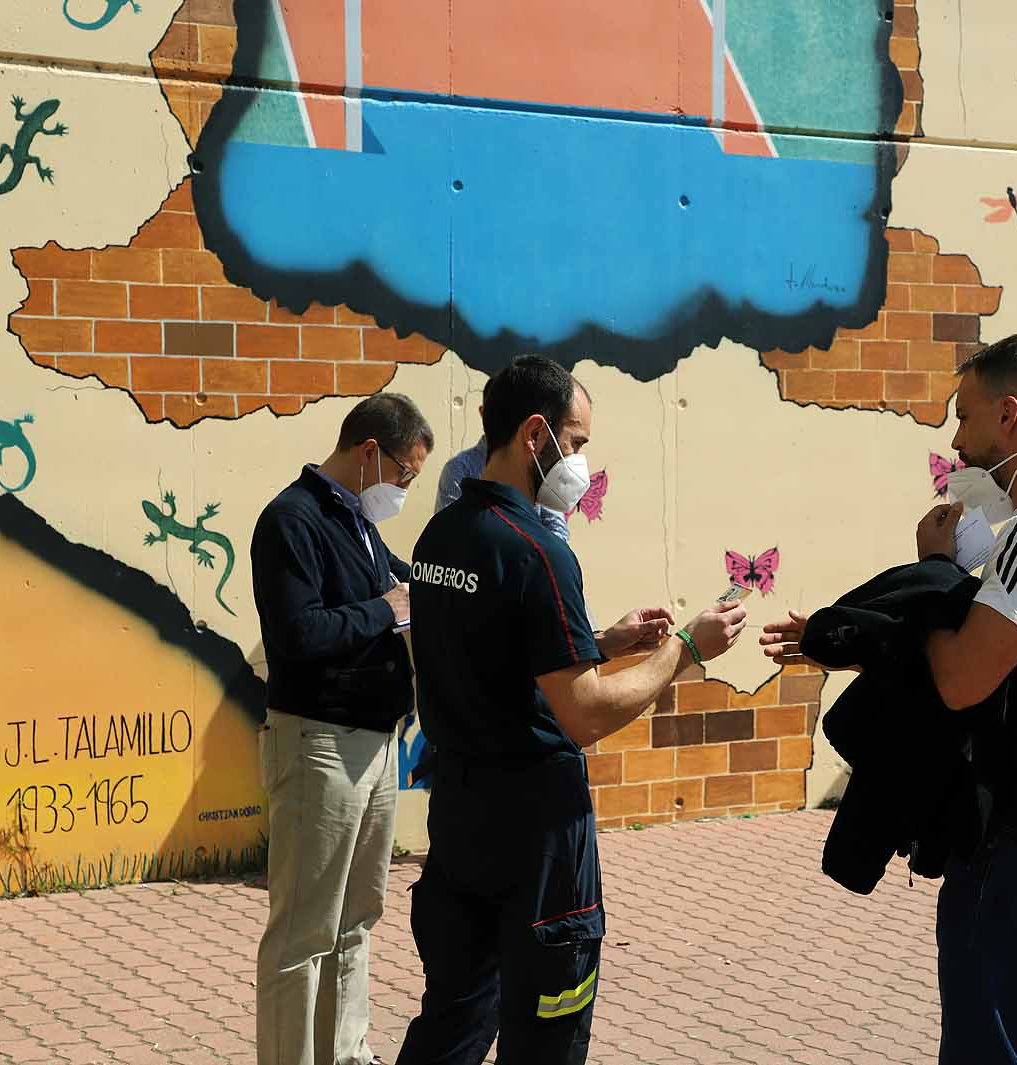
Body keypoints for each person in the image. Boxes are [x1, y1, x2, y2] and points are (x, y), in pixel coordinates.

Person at [764, 334, 1017, 1064]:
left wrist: (931, 572)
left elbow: (963, 674)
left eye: (964, 418)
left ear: (1010, 415)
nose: (957, 442)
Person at [397, 355, 747, 1064]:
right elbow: (583, 713)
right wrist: (686, 646)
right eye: (577, 443)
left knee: (452, 1022)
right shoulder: (538, 553)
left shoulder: (441, 538)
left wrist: (602, 641)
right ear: (535, 435)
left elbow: (490, 648)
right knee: (546, 1034)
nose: (580, 463)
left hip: (461, 823)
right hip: (538, 843)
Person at [249, 393, 433, 1065]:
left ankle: (347, 1052)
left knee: (356, 921)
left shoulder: (356, 518)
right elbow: (298, 634)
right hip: (318, 743)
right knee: (303, 933)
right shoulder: (291, 520)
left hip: (377, 742)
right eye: (404, 475)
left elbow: (401, 587)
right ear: (367, 454)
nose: (403, 490)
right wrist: (385, 611)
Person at [437, 429, 571, 541]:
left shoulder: (538, 464)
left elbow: (557, 529)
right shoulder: (460, 468)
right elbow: (451, 536)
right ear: (483, 412)